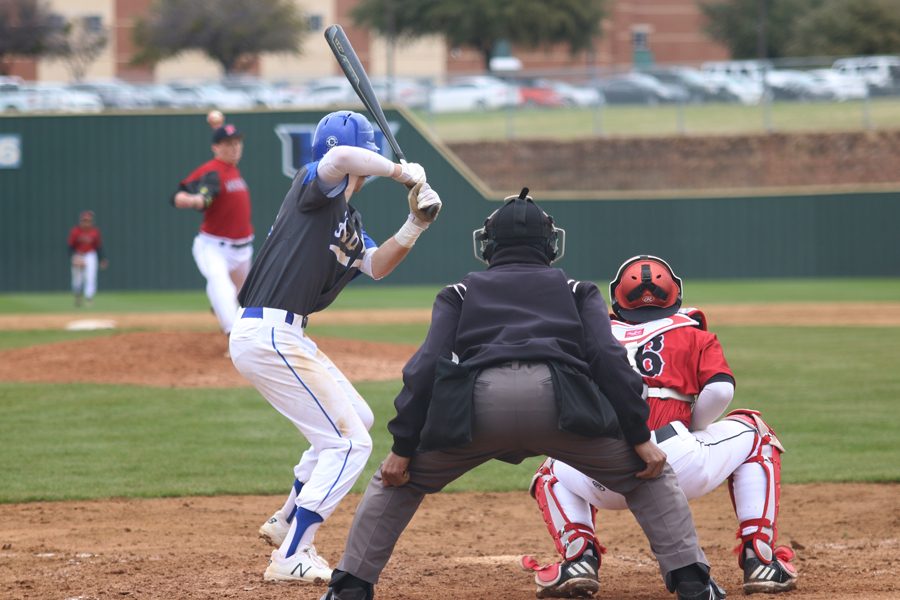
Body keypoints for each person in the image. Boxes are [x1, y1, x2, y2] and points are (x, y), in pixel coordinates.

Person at [320, 190, 724, 600]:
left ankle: (350, 587)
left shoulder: (458, 292)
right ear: (549, 244)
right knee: (648, 477)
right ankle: (692, 581)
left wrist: (403, 448)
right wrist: (639, 439)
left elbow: (424, 369)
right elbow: (608, 359)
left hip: (477, 409)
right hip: (562, 406)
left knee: (397, 484)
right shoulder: (577, 290)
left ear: (489, 245)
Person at [228, 110, 442, 585]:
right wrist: (402, 172)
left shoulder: (345, 216)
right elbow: (340, 156)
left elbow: (378, 265)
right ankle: (293, 553)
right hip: (269, 333)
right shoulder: (316, 188)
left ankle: (286, 519)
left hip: (285, 335)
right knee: (351, 443)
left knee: (357, 420)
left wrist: (414, 224)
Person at [522, 255, 798, 597]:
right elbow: (720, 390)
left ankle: (579, 556)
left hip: (603, 471)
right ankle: (761, 559)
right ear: (675, 293)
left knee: (552, 469)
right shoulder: (692, 333)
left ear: (617, 298)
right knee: (757, 433)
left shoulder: (591, 336)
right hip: (677, 461)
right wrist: (694, 430)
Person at [171, 122, 253, 336]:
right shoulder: (211, 171)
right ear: (216, 147)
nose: (235, 148)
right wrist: (193, 199)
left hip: (243, 250)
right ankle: (232, 334)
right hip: (214, 246)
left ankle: (220, 306)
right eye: (228, 144)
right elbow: (178, 195)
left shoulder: (232, 170)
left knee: (246, 298)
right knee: (221, 285)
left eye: (237, 143)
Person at [68, 210, 108, 307]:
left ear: (91, 221)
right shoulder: (75, 231)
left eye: (88, 220)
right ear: (81, 221)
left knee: (90, 277)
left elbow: (98, 247)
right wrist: (74, 257)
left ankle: (89, 298)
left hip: (90, 255)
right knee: (77, 278)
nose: (86, 223)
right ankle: (78, 296)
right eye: (84, 220)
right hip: (78, 254)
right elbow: (70, 246)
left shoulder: (95, 232)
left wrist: (102, 259)